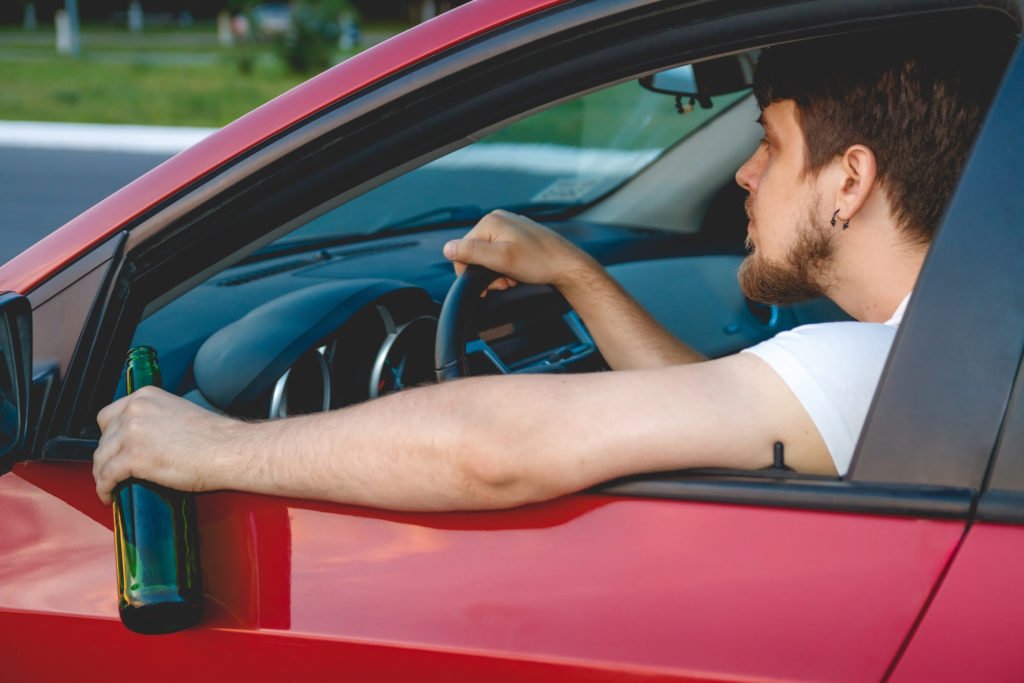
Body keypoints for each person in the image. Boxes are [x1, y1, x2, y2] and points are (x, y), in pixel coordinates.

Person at [91, 31, 1006, 511]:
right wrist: (575, 274)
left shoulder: (874, 370)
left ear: (851, 179)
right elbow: (715, 402)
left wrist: (217, 450)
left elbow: (494, 452)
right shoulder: (942, 358)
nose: (744, 173)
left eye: (769, 144)